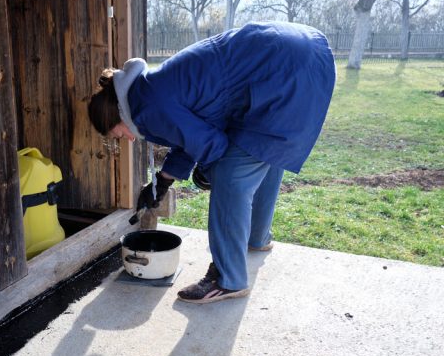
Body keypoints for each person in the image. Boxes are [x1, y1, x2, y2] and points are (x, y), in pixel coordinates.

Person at [88, 21, 336, 304]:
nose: (126, 140)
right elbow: (191, 133)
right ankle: (257, 238)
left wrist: (208, 171)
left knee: (232, 176)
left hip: (283, 71)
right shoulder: (146, 92)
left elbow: (212, 145)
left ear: (117, 115)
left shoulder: (146, 109)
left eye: (117, 134)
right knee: (265, 149)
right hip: (304, 54)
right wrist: (164, 180)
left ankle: (227, 279)